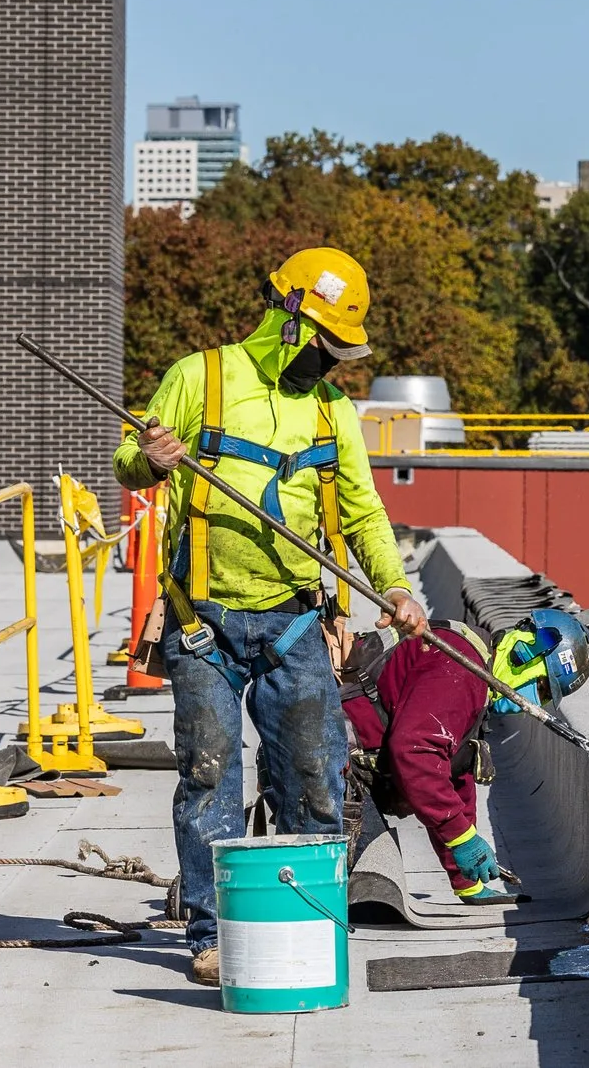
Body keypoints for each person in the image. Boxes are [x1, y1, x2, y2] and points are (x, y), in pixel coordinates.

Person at [113, 246, 427, 987]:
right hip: (203, 621)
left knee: (315, 775)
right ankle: (213, 936)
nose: (333, 363)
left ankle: (310, 924)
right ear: (289, 319)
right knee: (209, 773)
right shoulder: (200, 378)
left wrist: (394, 586)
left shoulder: (332, 410)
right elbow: (130, 458)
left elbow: (362, 512)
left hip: (294, 622)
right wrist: (153, 458)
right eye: (327, 345)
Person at [340, 606, 589, 904]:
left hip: (352, 765)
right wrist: (461, 838)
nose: (531, 702)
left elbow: (453, 770)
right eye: (540, 685)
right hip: (333, 764)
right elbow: (417, 751)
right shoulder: (462, 667)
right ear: (526, 652)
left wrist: (467, 879)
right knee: (367, 893)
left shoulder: (477, 671)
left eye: (544, 696)